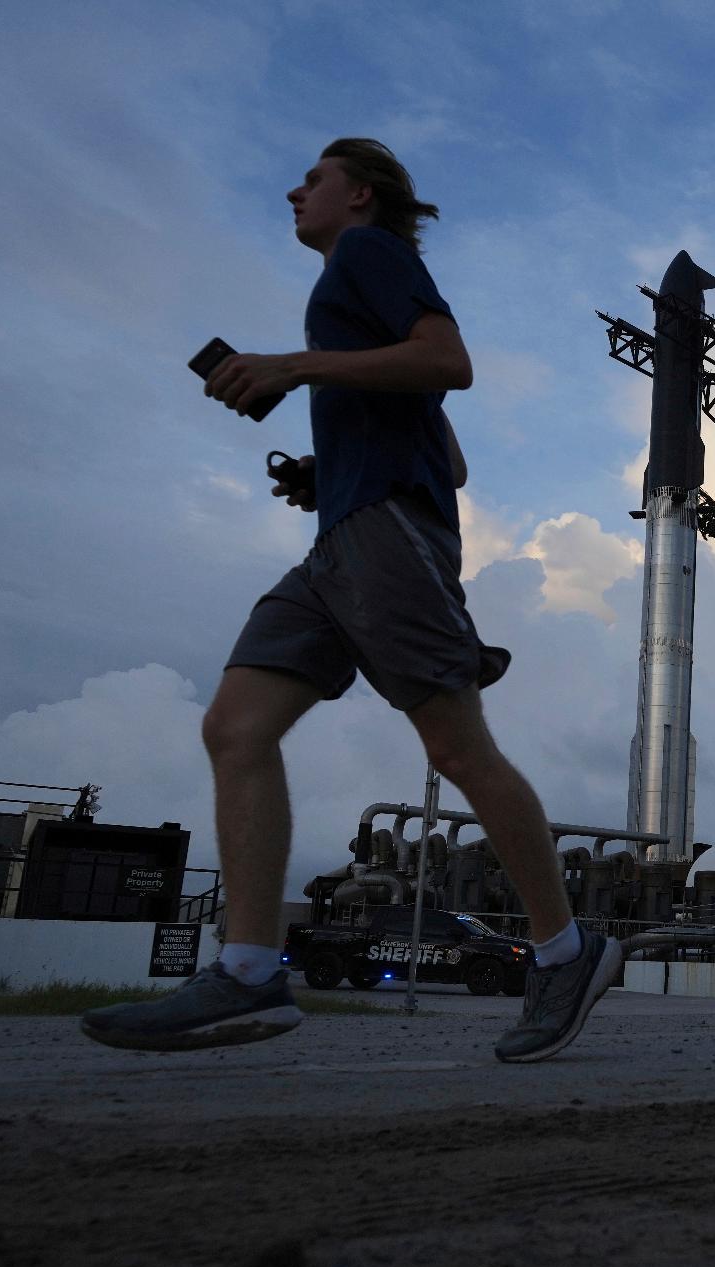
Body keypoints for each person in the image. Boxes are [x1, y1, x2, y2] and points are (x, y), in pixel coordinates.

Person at [80, 138, 618, 1062]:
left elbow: (449, 363)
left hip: (386, 540)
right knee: (235, 727)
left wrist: (296, 368)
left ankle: (567, 951)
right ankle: (249, 970)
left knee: (456, 746)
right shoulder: (356, 302)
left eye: (315, 178)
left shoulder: (369, 258)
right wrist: (327, 468)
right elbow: (450, 455)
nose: (294, 189)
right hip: (337, 539)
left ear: (360, 194)